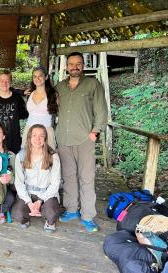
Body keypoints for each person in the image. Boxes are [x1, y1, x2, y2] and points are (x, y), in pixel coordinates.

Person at [55, 52, 108, 232]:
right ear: (67, 66)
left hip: (85, 139)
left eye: (78, 64)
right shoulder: (59, 87)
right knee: (68, 176)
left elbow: (101, 110)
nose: (74, 67)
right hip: (63, 139)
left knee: (86, 177)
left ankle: (87, 215)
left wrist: (95, 132)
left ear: (83, 66)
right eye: (71, 64)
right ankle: (71, 209)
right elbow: (49, 107)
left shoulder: (93, 84)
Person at [12, 124, 61, 232]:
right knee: (17, 214)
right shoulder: (21, 156)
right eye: (34, 135)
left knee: (51, 213)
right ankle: (26, 216)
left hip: (47, 194)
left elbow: (55, 183)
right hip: (28, 193)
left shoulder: (53, 156)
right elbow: (19, 183)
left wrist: (39, 201)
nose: (37, 139)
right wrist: (29, 202)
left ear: (45, 139)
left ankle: (48, 219)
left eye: (41, 136)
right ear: (29, 137)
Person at [0, 70, 28, 154]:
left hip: (13, 138)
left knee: (11, 163)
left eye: (7, 81)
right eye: (2, 81)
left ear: (11, 82)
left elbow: (23, 114)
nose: (4, 83)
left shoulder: (17, 98)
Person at [22, 67, 58, 149]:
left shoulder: (53, 94)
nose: (37, 78)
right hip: (30, 130)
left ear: (46, 77)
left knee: (46, 158)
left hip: (46, 131)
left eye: (40, 76)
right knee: (27, 157)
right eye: (34, 76)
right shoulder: (30, 93)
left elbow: (58, 113)